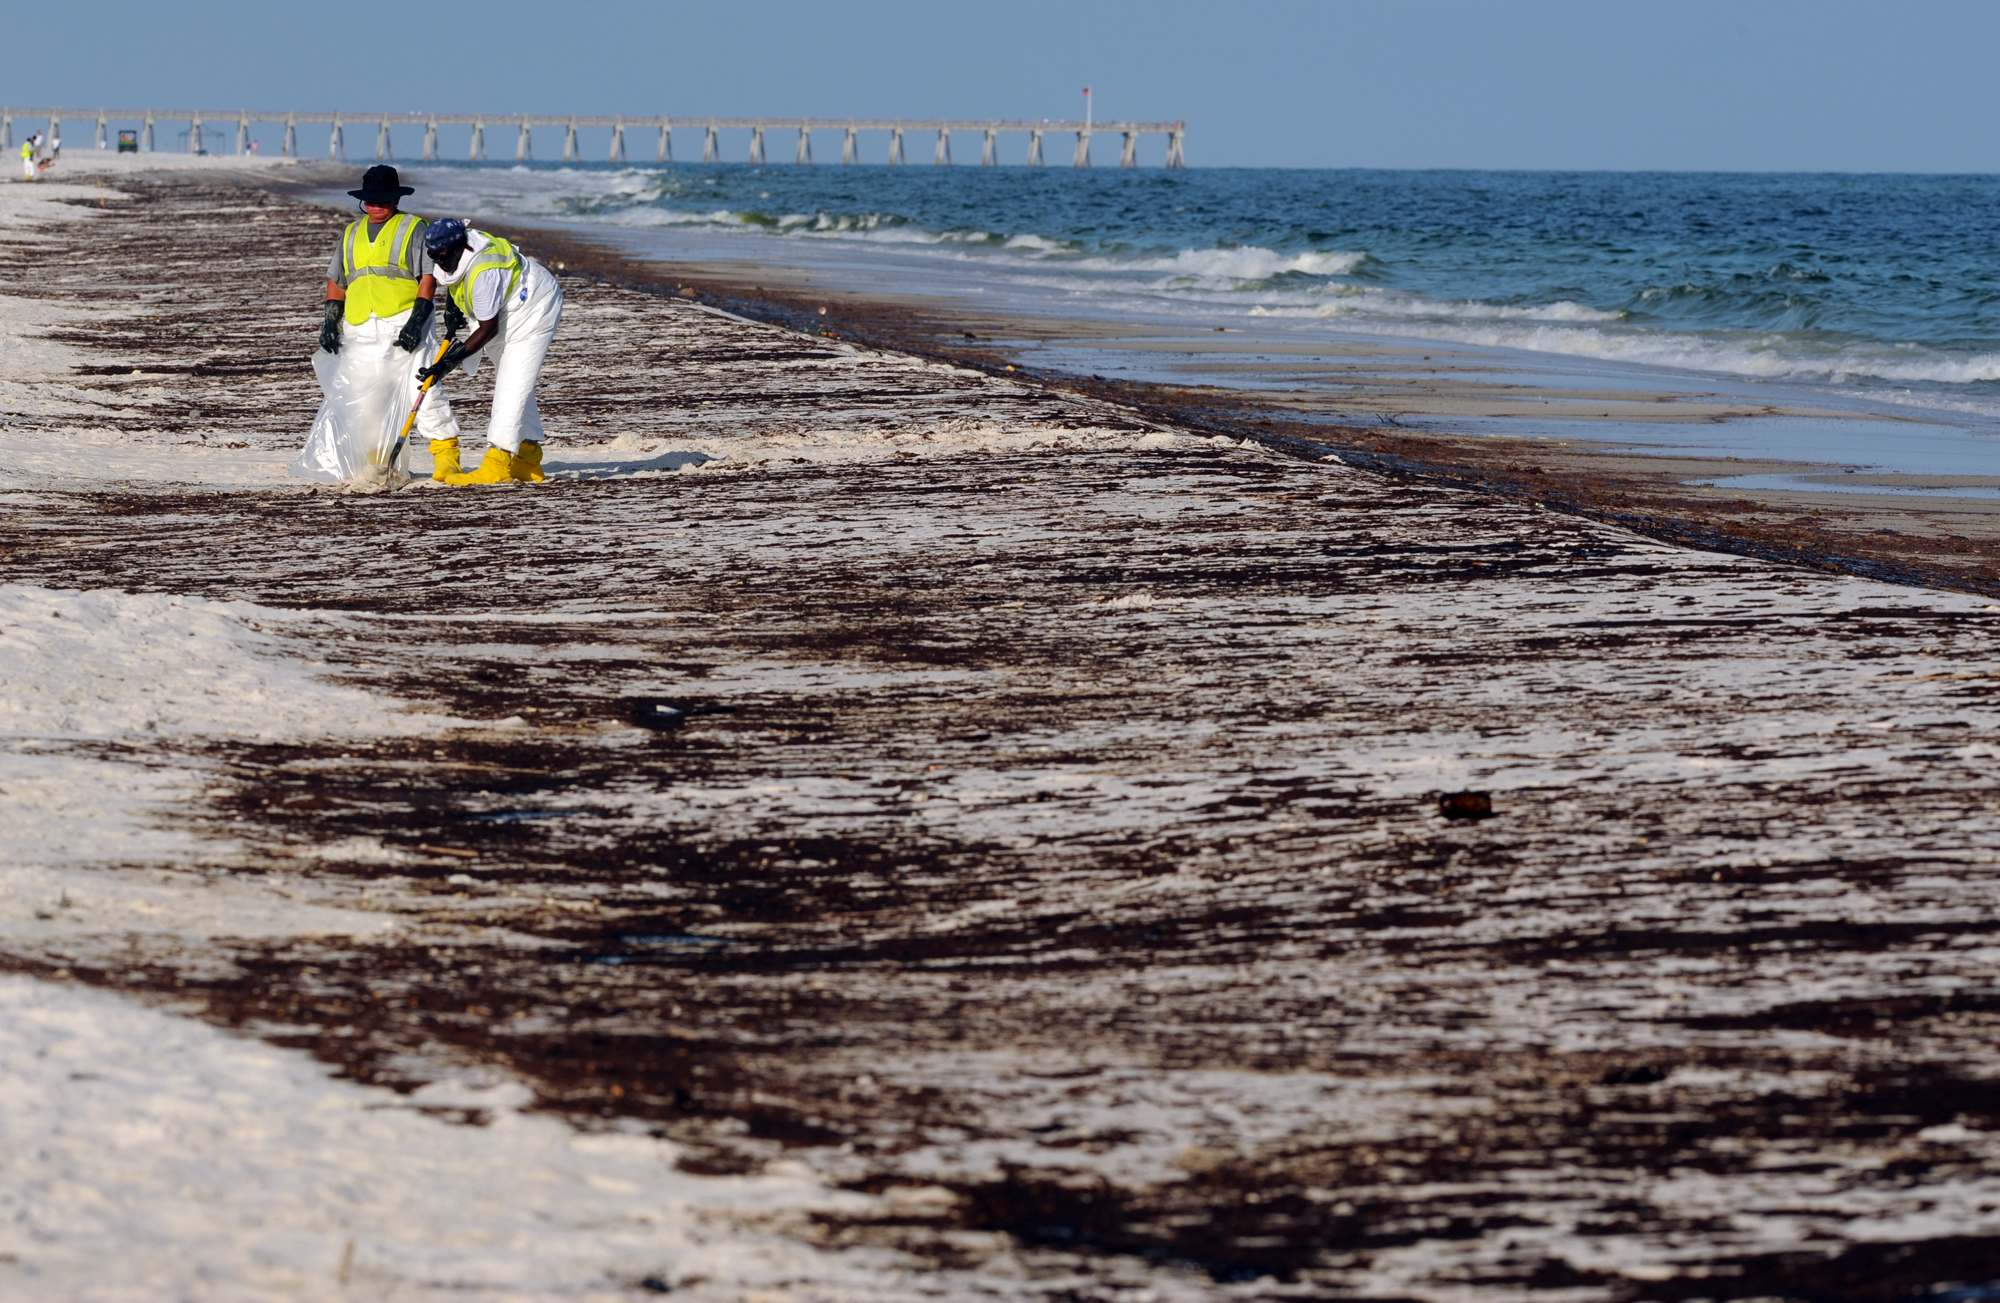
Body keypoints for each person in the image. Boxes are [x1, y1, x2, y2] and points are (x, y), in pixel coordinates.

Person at [293, 165, 463, 485]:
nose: (377, 205)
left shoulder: (414, 227)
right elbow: (337, 281)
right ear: (363, 200)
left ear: (396, 199)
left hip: (404, 319)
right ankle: (381, 465)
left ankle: (446, 457)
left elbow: (427, 277)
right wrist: (330, 322)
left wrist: (417, 319)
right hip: (360, 325)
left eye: (384, 199)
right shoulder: (351, 233)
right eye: (371, 200)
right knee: (364, 399)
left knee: (421, 390)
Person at [418, 217, 564, 484]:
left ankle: (498, 461)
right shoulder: (450, 250)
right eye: (433, 255)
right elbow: (454, 277)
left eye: (444, 255)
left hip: (535, 305)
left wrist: (446, 364)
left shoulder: (485, 272)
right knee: (517, 383)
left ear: (460, 244)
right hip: (509, 305)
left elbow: (487, 330)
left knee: (512, 383)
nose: (439, 260)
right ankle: (528, 458)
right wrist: (453, 306)